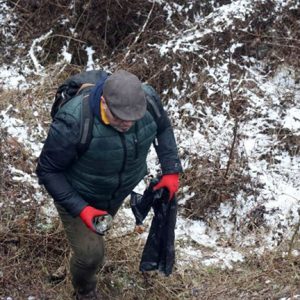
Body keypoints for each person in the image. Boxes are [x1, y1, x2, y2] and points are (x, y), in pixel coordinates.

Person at [36, 69, 183, 299]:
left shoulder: (148, 100)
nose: (126, 124)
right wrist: (81, 209)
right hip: (77, 191)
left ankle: (81, 254)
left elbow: (163, 127)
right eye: (119, 117)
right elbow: (47, 170)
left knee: (98, 234)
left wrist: (171, 169)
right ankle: (84, 292)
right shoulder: (73, 120)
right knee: (92, 255)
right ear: (103, 102)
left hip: (115, 190)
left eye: (132, 118)